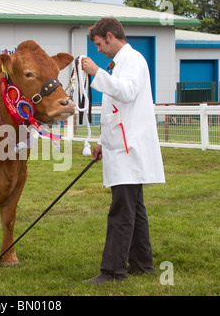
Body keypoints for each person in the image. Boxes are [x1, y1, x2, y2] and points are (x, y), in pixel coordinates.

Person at [81, 17, 165, 284]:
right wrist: (102, 143)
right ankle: (142, 264)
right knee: (134, 210)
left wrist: (96, 72)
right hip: (120, 146)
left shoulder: (133, 60)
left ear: (109, 36)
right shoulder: (120, 63)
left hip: (129, 149)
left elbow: (126, 93)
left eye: (98, 44)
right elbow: (114, 111)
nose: (98, 50)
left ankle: (113, 271)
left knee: (121, 211)